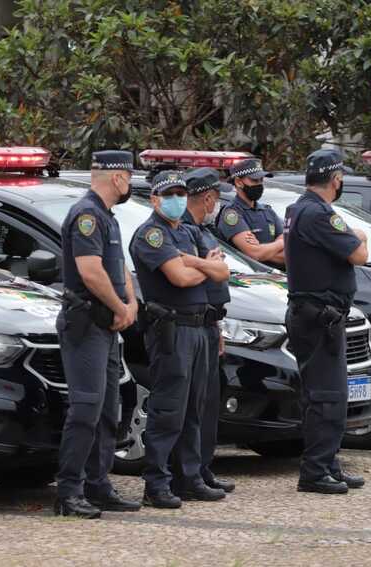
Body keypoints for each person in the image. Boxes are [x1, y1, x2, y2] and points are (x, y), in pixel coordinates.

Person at [130, 170, 230, 508]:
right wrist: (201, 265)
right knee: (168, 410)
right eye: (168, 194)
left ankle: (190, 478)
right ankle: (156, 483)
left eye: (180, 194)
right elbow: (181, 278)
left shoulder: (188, 232)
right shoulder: (151, 235)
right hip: (171, 331)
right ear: (155, 199)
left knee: (193, 410)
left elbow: (222, 272)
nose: (176, 200)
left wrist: (193, 261)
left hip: (199, 327)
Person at [54, 150, 140, 519]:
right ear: (118, 178)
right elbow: (90, 273)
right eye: (129, 177)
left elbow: (118, 269)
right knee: (86, 409)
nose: (130, 184)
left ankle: (97, 484)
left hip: (106, 326)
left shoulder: (108, 217)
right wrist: (121, 309)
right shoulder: (87, 215)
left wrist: (131, 303)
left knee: (108, 410)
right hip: (86, 324)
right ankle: (69, 491)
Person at [283, 148, 368, 495]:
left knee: (327, 395)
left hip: (316, 315)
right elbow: (358, 254)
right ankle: (316, 471)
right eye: (342, 177)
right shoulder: (319, 213)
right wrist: (359, 234)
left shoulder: (299, 208)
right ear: (335, 179)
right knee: (327, 396)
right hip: (320, 317)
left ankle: (328, 464)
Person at [175, 167, 235, 494]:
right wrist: (210, 266)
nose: (216, 205)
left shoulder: (201, 229)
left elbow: (219, 273)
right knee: (193, 405)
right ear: (208, 197)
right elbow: (209, 273)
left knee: (208, 403)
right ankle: (189, 474)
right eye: (216, 198)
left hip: (210, 323)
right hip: (190, 325)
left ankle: (202, 468)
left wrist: (219, 326)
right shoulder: (184, 229)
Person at [216, 158, 285, 268]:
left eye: (261, 180)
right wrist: (281, 243)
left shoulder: (268, 211)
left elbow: (289, 253)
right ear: (239, 182)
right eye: (254, 180)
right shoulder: (232, 213)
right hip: (253, 279)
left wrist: (261, 250)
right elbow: (255, 254)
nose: (259, 184)